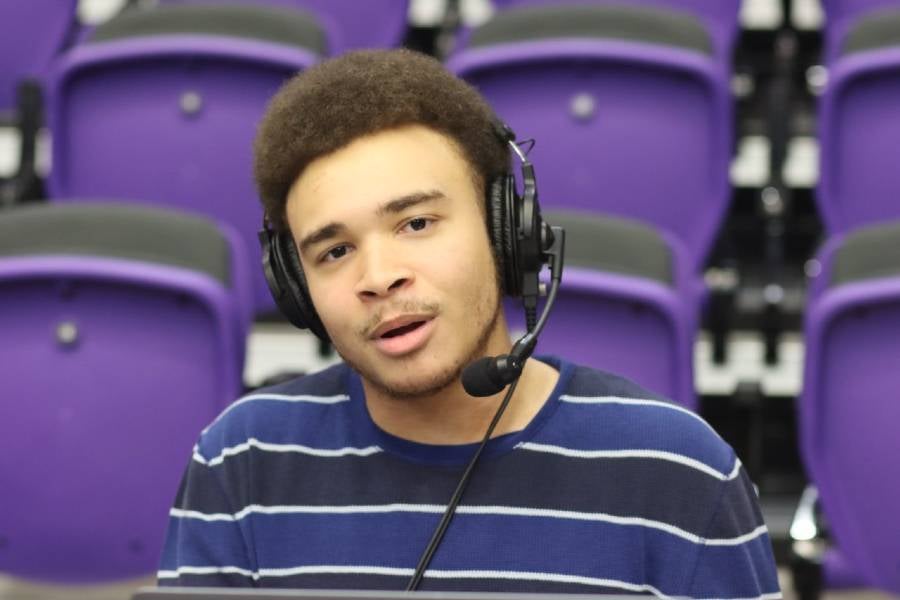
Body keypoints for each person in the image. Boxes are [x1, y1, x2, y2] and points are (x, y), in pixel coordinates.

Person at [158, 48, 780, 599]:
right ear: (297, 291)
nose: (379, 276)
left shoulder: (678, 471)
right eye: (334, 251)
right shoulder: (241, 461)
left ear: (506, 233)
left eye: (417, 223)